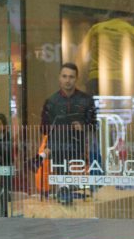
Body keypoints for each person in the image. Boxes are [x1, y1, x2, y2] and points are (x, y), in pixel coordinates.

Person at [37, 62, 97, 205]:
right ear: (59, 77)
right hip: (57, 151)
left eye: (71, 77)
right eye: (64, 76)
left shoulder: (86, 100)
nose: (67, 80)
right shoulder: (51, 102)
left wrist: (83, 126)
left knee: (79, 195)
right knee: (63, 191)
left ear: (76, 79)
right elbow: (43, 129)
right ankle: (63, 191)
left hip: (79, 151)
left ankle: (67, 191)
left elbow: (94, 125)